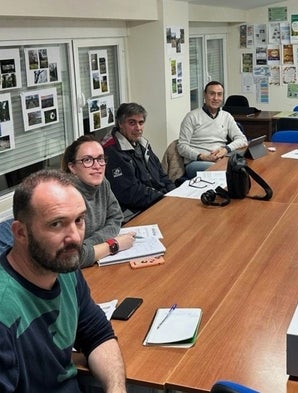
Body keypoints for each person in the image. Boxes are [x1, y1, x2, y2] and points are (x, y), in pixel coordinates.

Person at [0, 169, 126, 392]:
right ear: (20, 233)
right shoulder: (5, 308)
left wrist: (116, 389)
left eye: (79, 220)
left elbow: (98, 335)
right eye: (57, 224)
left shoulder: (64, 268)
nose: (75, 237)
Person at [62, 135, 135, 267]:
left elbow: (116, 217)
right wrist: (113, 244)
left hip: (96, 263)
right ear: (72, 167)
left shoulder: (102, 183)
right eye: (87, 160)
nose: (97, 166)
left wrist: (93, 244)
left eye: (100, 159)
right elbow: (71, 258)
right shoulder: (65, 197)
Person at [103, 103, 175, 218]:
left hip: (157, 200)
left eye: (141, 123)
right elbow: (129, 193)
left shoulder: (142, 144)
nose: (138, 128)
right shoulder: (112, 152)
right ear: (120, 124)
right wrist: (163, 197)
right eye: (132, 123)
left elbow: (162, 175)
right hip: (134, 211)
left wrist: (173, 192)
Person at [178, 81, 248, 179]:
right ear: (205, 95)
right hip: (197, 162)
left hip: (221, 159)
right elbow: (182, 146)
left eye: (219, 94)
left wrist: (225, 149)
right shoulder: (192, 117)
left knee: (244, 167)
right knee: (227, 171)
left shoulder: (226, 116)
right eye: (212, 94)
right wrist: (203, 156)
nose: (216, 98)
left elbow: (242, 140)